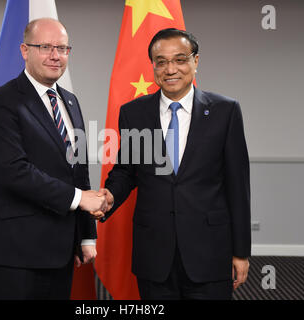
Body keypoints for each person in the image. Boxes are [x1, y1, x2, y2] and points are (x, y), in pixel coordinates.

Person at [94, 28, 251, 300]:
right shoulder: (134, 113)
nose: (170, 69)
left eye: (180, 59)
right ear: (153, 65)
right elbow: (126, 170)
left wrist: (241, 252)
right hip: (154, 253)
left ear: (195, 62)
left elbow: (239, 187)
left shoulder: (225, 111)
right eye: (161, 61)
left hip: (210, 252)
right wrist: (110, 194)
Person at [0, 18, 107, 300]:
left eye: (62, 48)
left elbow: (78, 170)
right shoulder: (1, 102)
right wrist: (79, 198)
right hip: (19, 248)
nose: (55, 55)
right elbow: (14, 171)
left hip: (62, 247)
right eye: (45, 46)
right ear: (25, 50)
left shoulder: (70, 101)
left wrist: (86, 236)